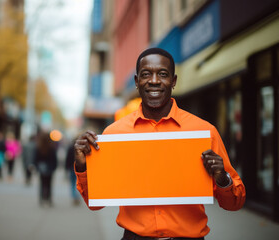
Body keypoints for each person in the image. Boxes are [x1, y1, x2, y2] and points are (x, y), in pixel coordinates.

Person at [74, 48, 246, 240]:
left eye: (162, 74)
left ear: (173, 81)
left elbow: (234, 203)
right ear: (136, 81)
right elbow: (95, 203)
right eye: (146, 74)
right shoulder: (115, 135)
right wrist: (82, 166)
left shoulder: (204, 132)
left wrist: (222, 177)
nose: (154, 80)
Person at [35, 132, 58, 207]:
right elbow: (54, 159)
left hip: (41, 168)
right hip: (50, 168)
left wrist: (37, 167)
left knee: (42, 184)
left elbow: (36, 158)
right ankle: (49, 199)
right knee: (49, 184)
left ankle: (42, 198)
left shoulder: (39, 147)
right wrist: (54, 167)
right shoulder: (52, 147)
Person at [65, 139, 80, 206]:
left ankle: (74, 197)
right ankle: (77, 197)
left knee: (72, 183)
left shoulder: (70, 148)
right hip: (78, 167)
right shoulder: (80, 147)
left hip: (71, 168)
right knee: (78, 183)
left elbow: (67, 158)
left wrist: (66, 168)